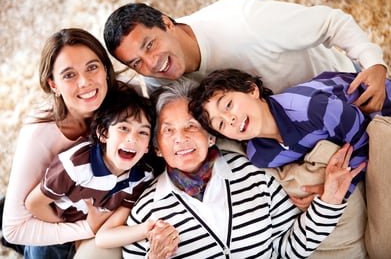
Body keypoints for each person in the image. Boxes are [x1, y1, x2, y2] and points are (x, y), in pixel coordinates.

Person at [106, 80, 363, 258]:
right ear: (158, 148)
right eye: (168, 130)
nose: (180, 138)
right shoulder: (146, 210)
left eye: (191, 126)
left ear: (211, 136)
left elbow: (289, 249)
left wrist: (329, 202)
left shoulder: (255, 175)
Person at [2, 28, 163, 259]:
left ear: (106, 69)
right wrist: (83, 229)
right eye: (69, 75)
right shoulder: (38, 135)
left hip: (95, 198)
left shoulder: (128, 97)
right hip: (53, 214)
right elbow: (15, 228)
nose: (85, 82)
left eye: (92, 67)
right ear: (54, 85)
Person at [103, 0, 388, 114]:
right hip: (282, 129)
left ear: (167, 23)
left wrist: (373, 63)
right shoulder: (158, 83)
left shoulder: (243, 21)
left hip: (343, 90)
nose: (152, 64)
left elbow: (330, 22)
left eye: (150, 45)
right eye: (136, 62)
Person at [190, 69, 391, 198]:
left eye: (228, 105)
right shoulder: (261, 157)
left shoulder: (311, 109)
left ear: (252, 90)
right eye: (221, 124)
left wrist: (338, 192)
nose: (230, 119)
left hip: (381, 107)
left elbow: (364, 138)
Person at [23, 82, 167, 258]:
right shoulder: (74, 165)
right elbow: (34, 204)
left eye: (143, 133)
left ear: (147, 147)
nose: (133, 139)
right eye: (123, 128)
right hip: (56, 228)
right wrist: (72, 230)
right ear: (103, 133)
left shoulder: (143, 176)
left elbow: (115, 223)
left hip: (88, 235)